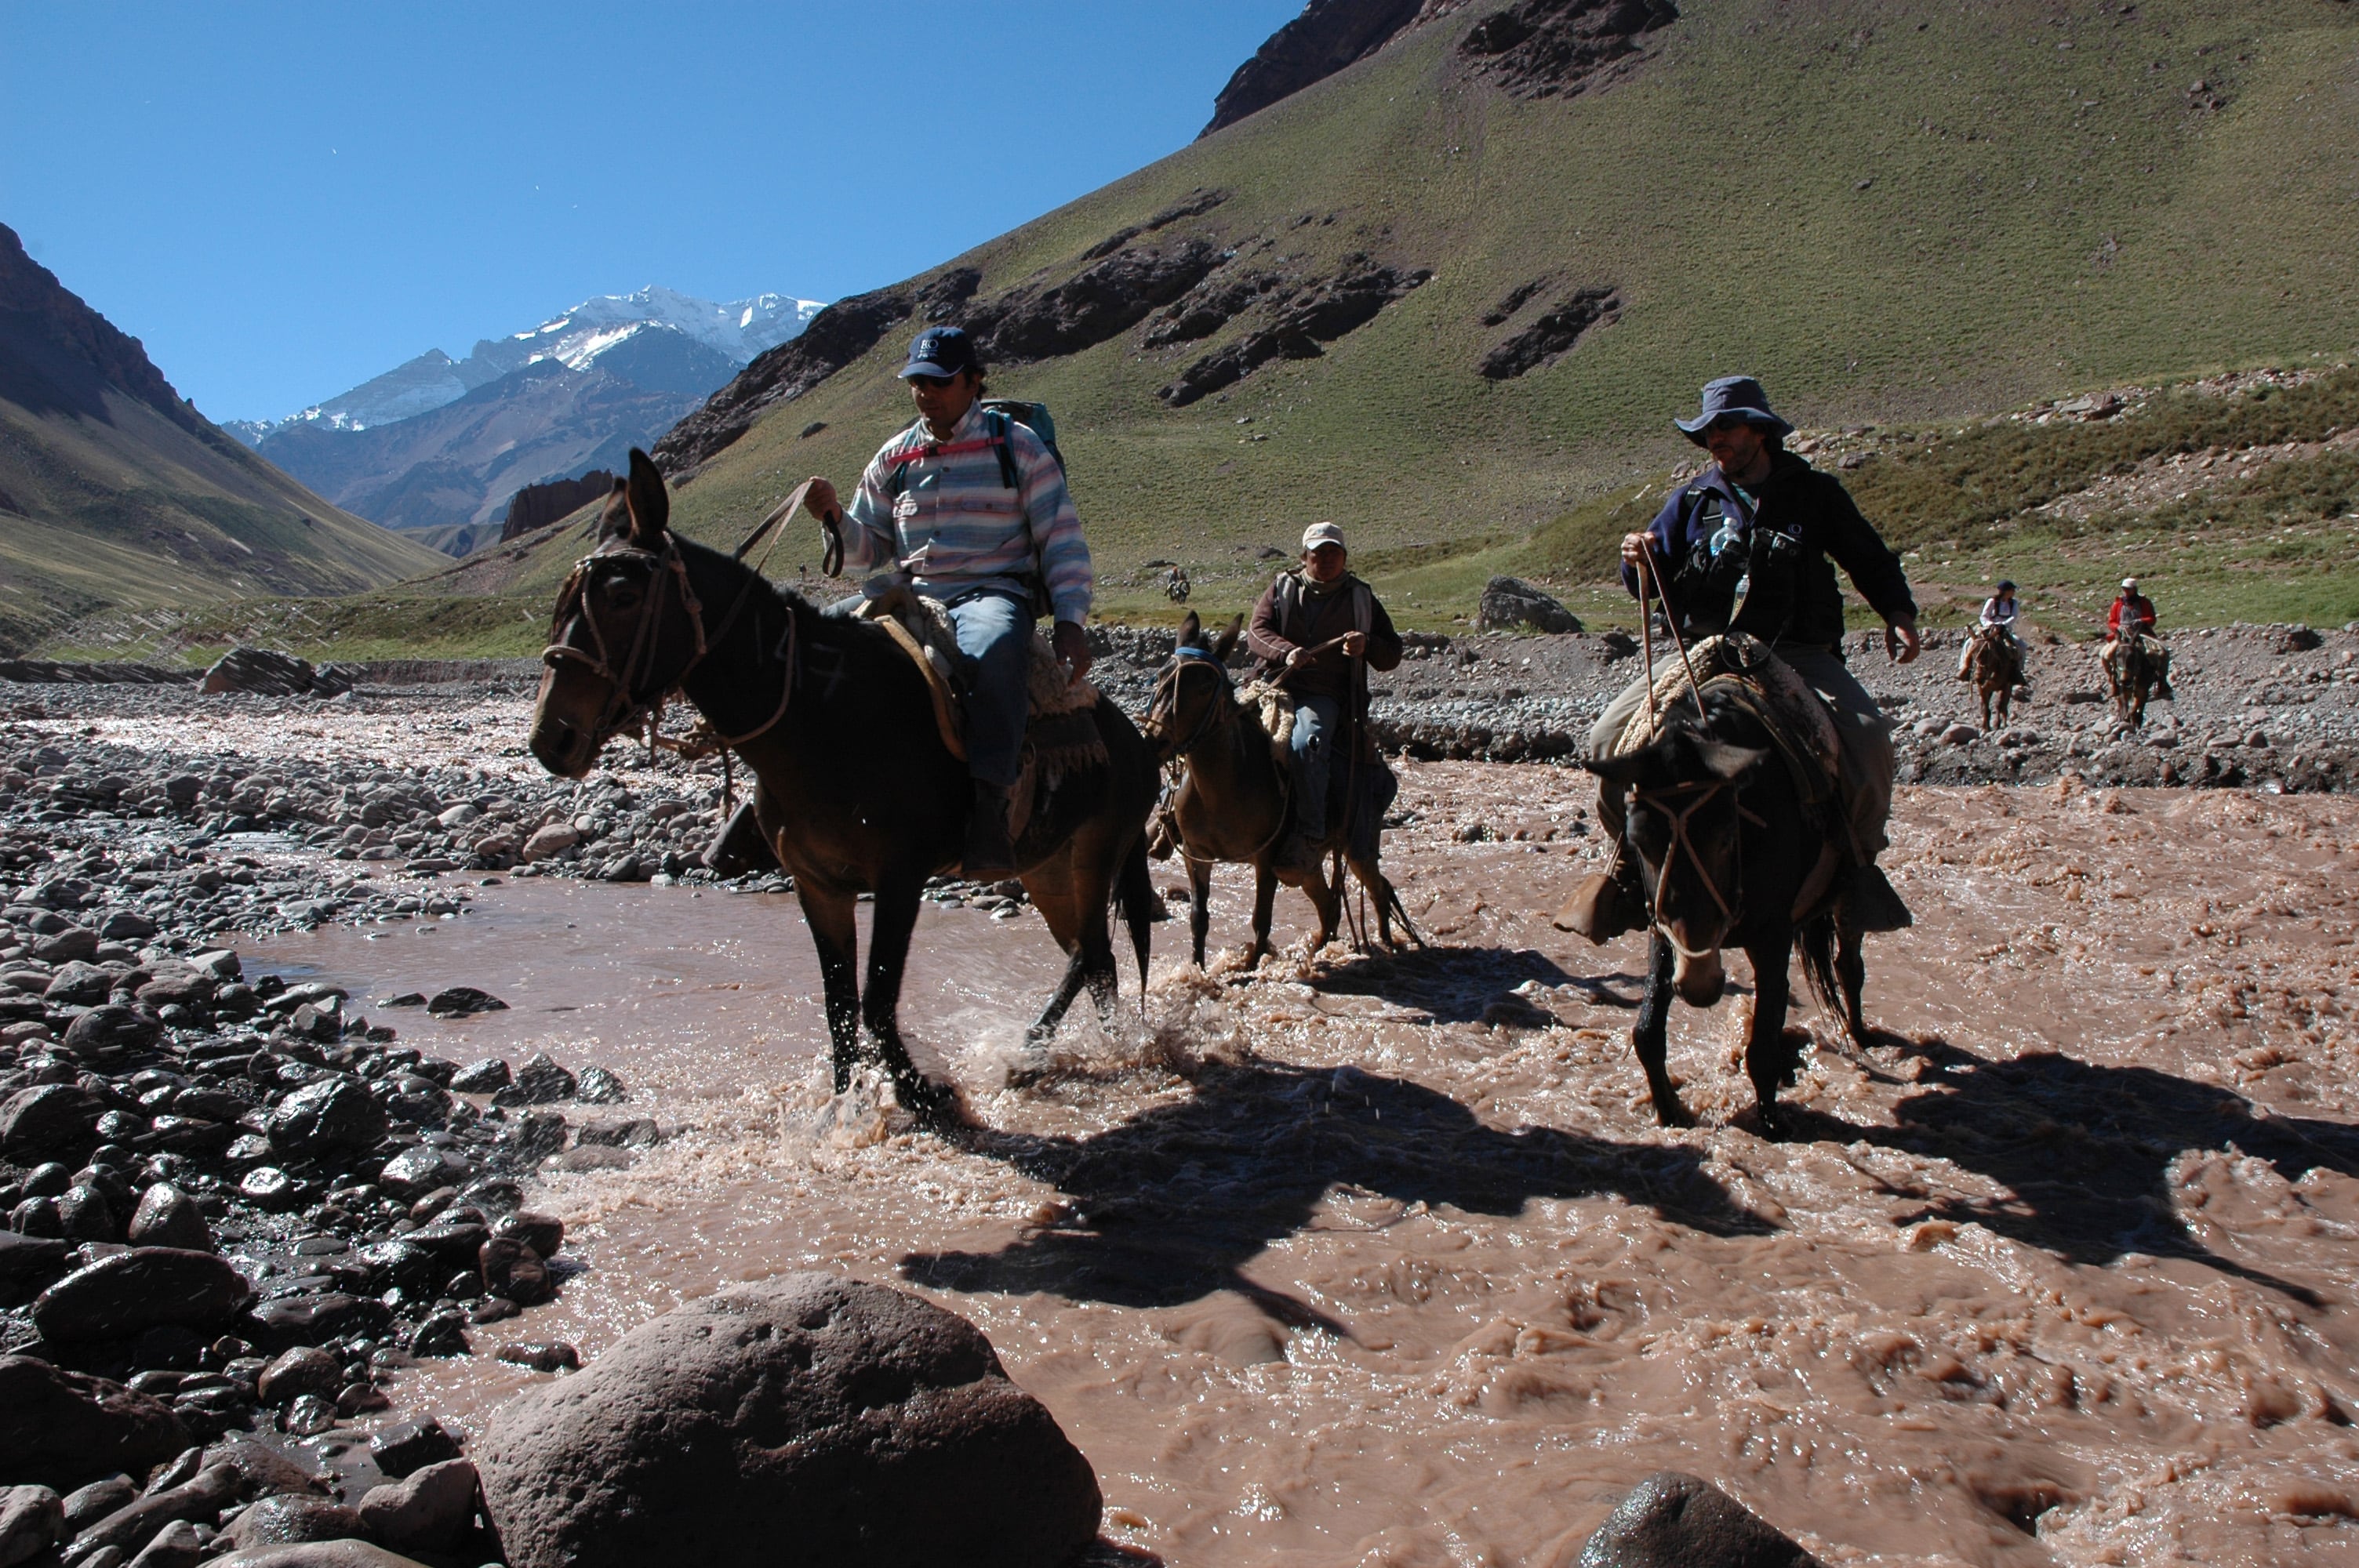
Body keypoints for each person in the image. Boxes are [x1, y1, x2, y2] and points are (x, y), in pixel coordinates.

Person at [1558, 375, 1920, 942]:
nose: (1714, 441)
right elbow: (1646, 577)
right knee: (1606, 740)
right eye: (1706, 432)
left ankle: (1858, 869)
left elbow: (1867, 556)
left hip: (1794, 652)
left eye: (1724, 428)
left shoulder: (1814, 493)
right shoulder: (1693, 501)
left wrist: (1898, 612)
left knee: (1870, 739)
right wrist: (1635, 558)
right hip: (1705, 649)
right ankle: (1627, 869)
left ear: (1760, 431)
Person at [801, 326, 1095, 879]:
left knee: (995, 650)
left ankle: (990, 811)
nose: (925, 393)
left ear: (974, 381)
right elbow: (868, 551)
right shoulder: (895, 455)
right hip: (907, 593)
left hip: (990, 589)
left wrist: (1071, 622)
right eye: (917, 382)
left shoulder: (1017, 446)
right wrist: (835, 519)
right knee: (814, 646)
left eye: (939, 382)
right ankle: (795, 798)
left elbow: (1061, 538)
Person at [1245, 521, 1403, 866]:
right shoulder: (1283, 588)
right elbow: (1256, 632)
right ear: (1305, 557)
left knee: (1307, 742)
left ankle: (1311, 832)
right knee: (1207, 723)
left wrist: (1368, 645)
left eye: (1334, 553)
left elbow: (1392, 652)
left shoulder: (1361, 597)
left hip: (1324, 696)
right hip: (1272, 686)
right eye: (1319, 553)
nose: (1327, 560)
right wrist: (1286, 652)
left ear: (1345, 558)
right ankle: (1171, 819)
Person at [2106, 575, 2172, 699]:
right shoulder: (2117, 604)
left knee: (2163, 652)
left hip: (2142, 633)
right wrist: (2118, 627)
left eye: (2129, 589)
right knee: (2106, 655)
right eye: (2124, 589)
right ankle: (2113, 682)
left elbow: (2152, 619)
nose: (2126, 591)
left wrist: (2141, 621)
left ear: (2135, 589)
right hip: (2122, 635)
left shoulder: (2144, 603)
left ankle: (2162, 683)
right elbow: (2111, 622)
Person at [1957, 579, 2026, 690]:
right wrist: (1991, 624)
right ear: (2005, 591)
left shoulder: (2014, 603)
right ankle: (1965, 668)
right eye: (2012, 590)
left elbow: (2014, 617)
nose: (2014, 592)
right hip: (1988, 628)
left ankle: (2018, 670)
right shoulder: (1992, 601)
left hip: (2004, 629)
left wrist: (2003, 625)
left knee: (2020, 645)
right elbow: (1983, 616)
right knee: (1970, 643)